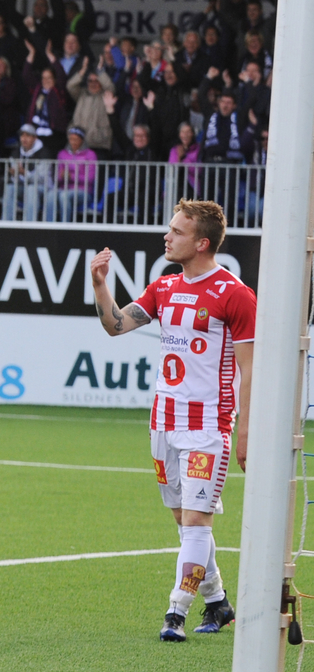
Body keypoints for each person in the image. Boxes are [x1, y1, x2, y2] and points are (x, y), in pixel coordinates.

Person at [90, 200, 255, 641]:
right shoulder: (164, 287)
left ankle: (176, 611)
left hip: (208, 427)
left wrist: (245, 430)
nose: (168, 236)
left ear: (202, 243)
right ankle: (218, 602)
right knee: (185, 521)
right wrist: (100, 285)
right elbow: (116, 326)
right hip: (163, 420)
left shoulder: (235, 294)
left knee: (198, 522)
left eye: (177, 231)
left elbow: (250, 368)